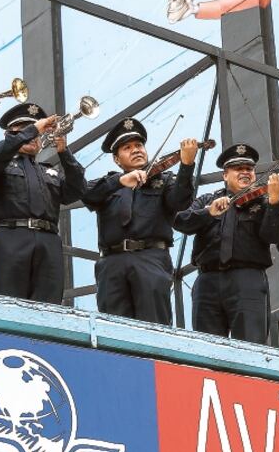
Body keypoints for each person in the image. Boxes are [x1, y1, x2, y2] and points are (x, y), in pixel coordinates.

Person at [82, 117, 197, 324]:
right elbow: (86, 193)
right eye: (127, 147)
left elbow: (180, 201)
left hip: (150, 258)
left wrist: (187, 166)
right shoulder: (108, 183)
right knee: (112, 327)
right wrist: (119, 181)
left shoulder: (164, 180)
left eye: (139, 145)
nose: (136, 150)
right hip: (112, 262)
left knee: (154, 324)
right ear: (117, 159)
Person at [173, 143, 279, 343]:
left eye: (249, 169)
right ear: (225, 175)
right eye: (238, 169)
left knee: (251, 343)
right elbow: (181, 221)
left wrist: (274, 202)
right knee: (207, 346)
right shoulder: (207, 200)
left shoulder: (263, 203)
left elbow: (274, 236)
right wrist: (208, 212)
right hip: (208, 279)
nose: (245, 173)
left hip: (247, 279)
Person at [0, 102, 86, 303]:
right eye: (24, 130)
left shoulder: (48, 170)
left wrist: (64, 152)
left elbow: (77, 190)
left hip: (48, 241)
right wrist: (33, 129)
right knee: (9, 304)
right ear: (9, 136)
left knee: (49, 306)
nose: (31, 135)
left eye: (34, 131)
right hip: (11, 237)